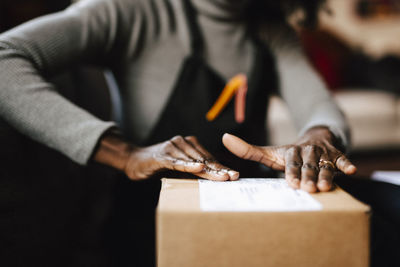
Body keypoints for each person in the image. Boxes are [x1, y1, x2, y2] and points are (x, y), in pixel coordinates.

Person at [0, 0, 356, 266]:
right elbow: (5, 58)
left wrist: (318, 138)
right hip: (146, 231)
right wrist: (123, 153)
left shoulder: (270, 30)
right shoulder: (130, 10)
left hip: (245, 225)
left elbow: (320, 108)